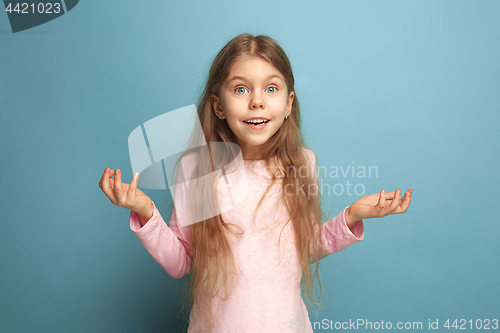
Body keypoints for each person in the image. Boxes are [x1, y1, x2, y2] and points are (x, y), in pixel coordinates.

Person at [98, 33, 413, 333]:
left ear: (289, 103)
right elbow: (182, 261)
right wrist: (145, 212)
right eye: (241, 89)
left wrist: (352, 216)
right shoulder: (197, 168)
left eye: (271, 89)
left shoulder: (301, 163)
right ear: (218, 106)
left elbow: (302, 249)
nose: (257, 102)